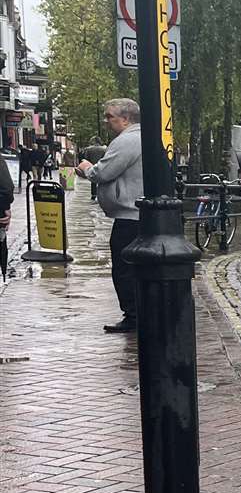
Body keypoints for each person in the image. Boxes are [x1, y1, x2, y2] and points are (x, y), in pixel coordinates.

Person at [74, 99, 143, 334]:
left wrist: (86, 168)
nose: (106, 121)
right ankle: (139, 313)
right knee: (135, 266)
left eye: (109, 116)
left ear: (125, 118)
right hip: (139, 213)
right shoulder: (143, 137)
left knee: (123, 267)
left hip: (129, 215)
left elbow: (103, 173)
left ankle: (133, 316)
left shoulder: (126, 141)